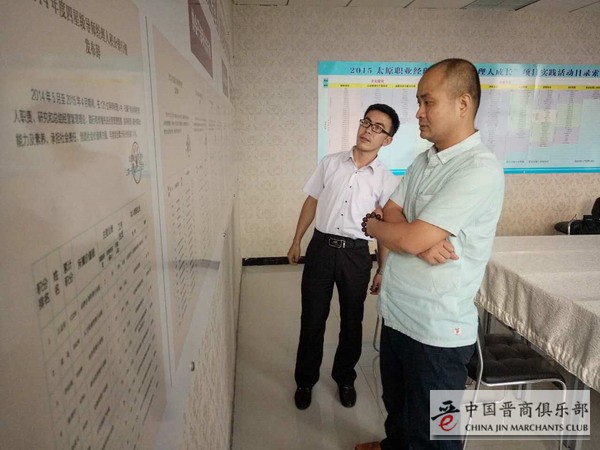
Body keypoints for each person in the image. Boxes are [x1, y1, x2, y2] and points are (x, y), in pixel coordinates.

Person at [356, 59, 505, 450]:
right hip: (397, 315)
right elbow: (392, 210)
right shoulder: (424, 160)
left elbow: (401, 233)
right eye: (418, 102)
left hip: (437, 333)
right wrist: (411, 236)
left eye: (428, 102)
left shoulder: (479, 169)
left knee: (436, 436)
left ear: (462, 104)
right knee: (397, 410)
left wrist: (382, 229)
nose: (418, 113)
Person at [288, 104, 400, 410]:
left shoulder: (387, 180)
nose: (368, 130)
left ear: (387, 139)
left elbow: (385, 228)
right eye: (366, 122)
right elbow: (311, 202)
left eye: (378, 128)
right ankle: (305, 380)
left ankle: (345, 378)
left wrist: (382, 268)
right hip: (321, 249)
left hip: (356, 254)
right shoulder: (330, 163)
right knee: (312, 318)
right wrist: (297, 240)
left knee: (352, 321)